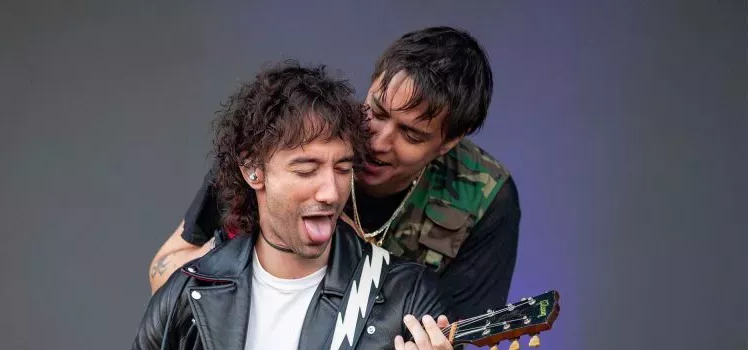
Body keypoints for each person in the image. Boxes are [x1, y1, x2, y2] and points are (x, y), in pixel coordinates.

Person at [100, 62, 471, 350]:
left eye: (342, 168)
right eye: (306, 169)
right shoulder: (194, 289)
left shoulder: (405, 295)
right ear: (253, 171)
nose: (330, 192)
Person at [149, 26, 521, 325]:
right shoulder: (286, 139)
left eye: (411, 135)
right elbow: (163, 271)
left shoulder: (485, 196)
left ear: (449, 142)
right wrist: (247, 257)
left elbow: (448, 341)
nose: (377, 141)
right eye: (376, 111)